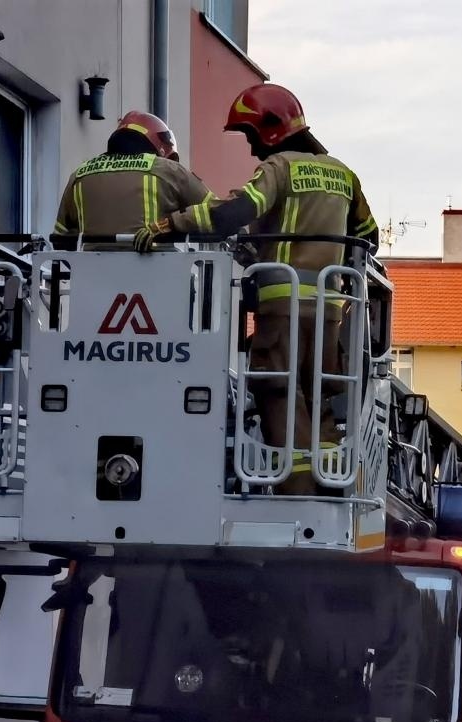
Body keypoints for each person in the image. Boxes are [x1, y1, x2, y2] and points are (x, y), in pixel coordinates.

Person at [135, 83, 379, 495]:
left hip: (282, 312)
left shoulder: (279, 168)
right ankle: (329, 488)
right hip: (330, 316)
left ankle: (297, 495)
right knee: (321, 400)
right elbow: (368, 237)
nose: (251, 149)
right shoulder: (343, 174)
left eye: (250, 136)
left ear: (270, 128)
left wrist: (169, 225)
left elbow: (234, 212)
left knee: (279, 395)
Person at [52, 111, 212, 239]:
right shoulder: (170, 170)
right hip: (157, 274)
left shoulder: (79, 175)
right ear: (161, 145)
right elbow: (217, 211)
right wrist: (173, 223)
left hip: (90, 276)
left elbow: (60, 238)